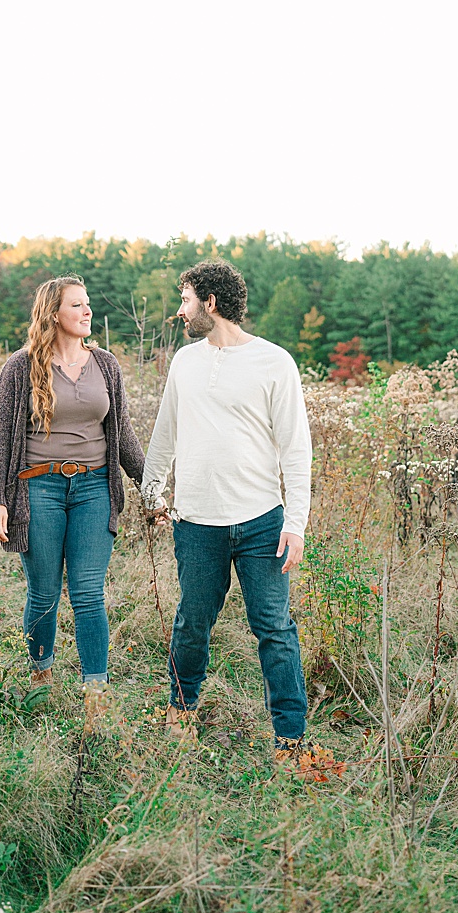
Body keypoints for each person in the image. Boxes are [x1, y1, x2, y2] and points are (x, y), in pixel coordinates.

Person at [141, 260, 313, 761]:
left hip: (262, 521)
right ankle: (181, 712)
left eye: (186, 300)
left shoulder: (275, 362)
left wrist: (296, 524)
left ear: (210, 303)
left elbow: (295, 449)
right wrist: (153, 493)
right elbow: (165, 434)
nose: (180, 310)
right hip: (196, 522)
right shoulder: (184, 363)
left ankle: (290, 739)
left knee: (275, 629)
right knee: (193, 622)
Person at [0, 275, 146, 730]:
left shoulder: (106, 365)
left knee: (89, 591)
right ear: (54, 313)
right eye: (78, 305)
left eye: (88, 304)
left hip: (95, 488)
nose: (88, 311)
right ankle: (42, 677)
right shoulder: (21, 367)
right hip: (38, 490)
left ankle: (96, 690)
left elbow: (123, 435)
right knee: (44, 592)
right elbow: (0, 439)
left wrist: (149, 487)